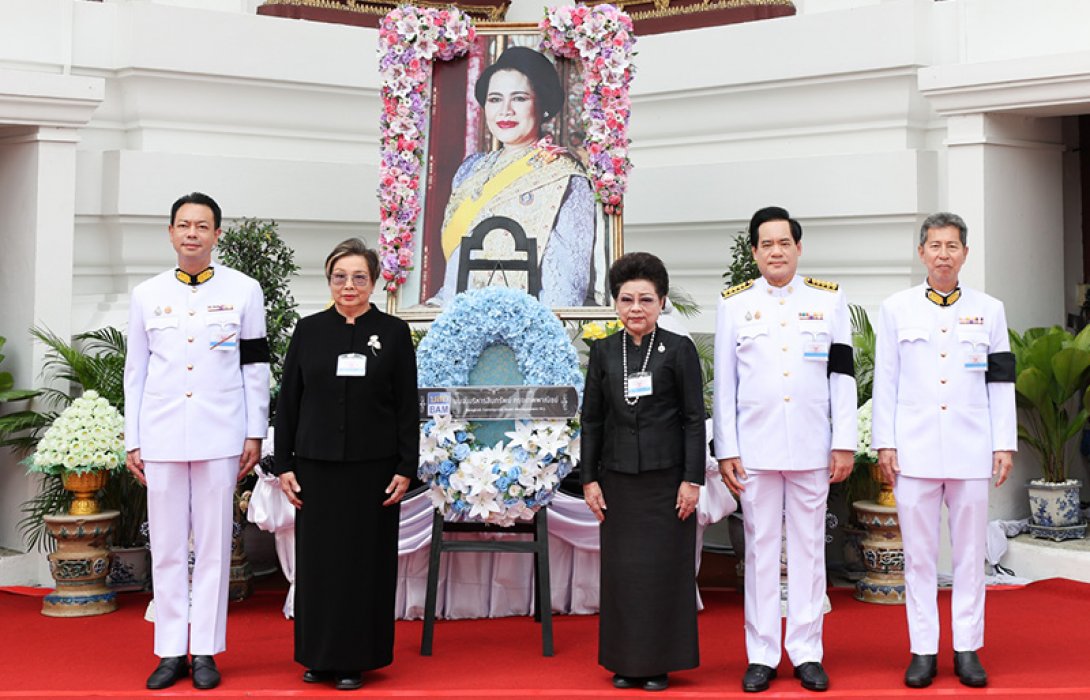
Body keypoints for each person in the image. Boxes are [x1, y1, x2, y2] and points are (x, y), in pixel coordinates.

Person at [124, 192, 270, 691]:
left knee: (212, 547)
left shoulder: (245, 291)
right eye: (183, 225)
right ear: (170, 233)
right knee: (165, 545)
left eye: (202, 226)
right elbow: (135, 372)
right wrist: (133, 438)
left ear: (216, 235)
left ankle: (205, 649)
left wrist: (255, 431)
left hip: (221, 432)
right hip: (162, 434)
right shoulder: (146, 294)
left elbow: (255, 366)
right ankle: (169, 650)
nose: (192, 234)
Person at [713, 206, 856, 693]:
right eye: (766, 244)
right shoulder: (734, 305)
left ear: (799, 248)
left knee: (810, 551)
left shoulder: (829, 302)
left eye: (784, 243)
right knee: (759, 553)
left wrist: (843, 443)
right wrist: (727, 449)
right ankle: (762, 654)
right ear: (754, 252)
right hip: (755, 449)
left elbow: (843, 378)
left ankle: (808, 650)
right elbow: (725, 386)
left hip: (813, 448)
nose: (776, 251)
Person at [871, 213, 1016, 689]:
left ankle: (968, 647)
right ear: (921, 253)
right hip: (914, 450)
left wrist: (1003, 443)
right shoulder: (896, 308)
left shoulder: (990, 310)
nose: (943, 255)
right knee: (919, 555)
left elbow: (1000, 381)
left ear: (965, 254)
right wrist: (885, 443)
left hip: (972, 447)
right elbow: (886, 380)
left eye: (952, 246)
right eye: (935, 246)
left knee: (972, 555)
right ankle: (923, 650)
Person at [272, 238, 419, 691]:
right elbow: (289, 402)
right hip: (315, 469)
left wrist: (405, 465)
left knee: (362, 565)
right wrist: (284, 465)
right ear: (329, 281)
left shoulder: (393, 333)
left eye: (359, 277)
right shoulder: (309, 330)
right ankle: (317, 655)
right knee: (318, 566)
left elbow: (406, 406)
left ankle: (357, 657)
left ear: (374, 282)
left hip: (372, 471)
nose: (349, 285)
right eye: (340, 276)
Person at [581, 252, 705, 692]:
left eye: (646, 299)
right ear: (615, 303)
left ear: (662, 302)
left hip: (667, 483)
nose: (636, 308)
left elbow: (694, 418)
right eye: (627, 299)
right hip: (617, 483)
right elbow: (592, 419)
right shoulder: (602, 351)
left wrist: (692, 480)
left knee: (662, 574)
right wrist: (589, 479)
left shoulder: (679, 349)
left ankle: (659, 663)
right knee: (624, 575)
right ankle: (625, 661)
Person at [430, 45, 598, 307]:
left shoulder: (564, 177)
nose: (505, 111)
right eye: (495, 99)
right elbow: (457, 266)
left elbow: (565, 289)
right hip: (462, 324)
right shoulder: (470, 170)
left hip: (529, 330)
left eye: (519, 98)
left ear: (542, 105)